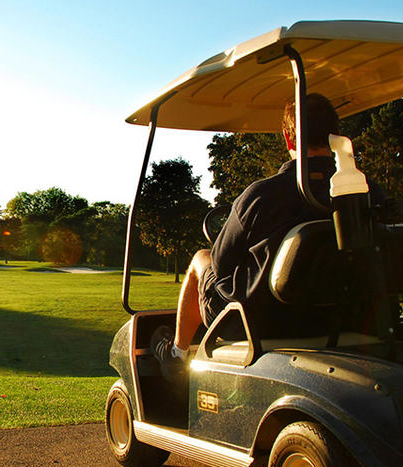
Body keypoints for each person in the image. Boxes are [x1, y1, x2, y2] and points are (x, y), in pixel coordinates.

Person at [151, 93, 385, 379]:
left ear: (289, 140)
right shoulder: (369, 193)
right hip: (353, 318)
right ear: (335, 136)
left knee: (203, 257)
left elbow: (222, 268)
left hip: (265, 323)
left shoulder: (262, 196)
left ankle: (177, 354)